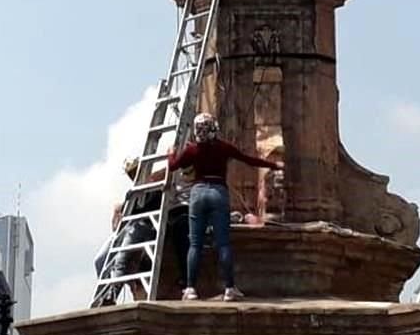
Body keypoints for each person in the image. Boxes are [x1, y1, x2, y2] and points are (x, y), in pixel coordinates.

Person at [167, 113, 283, 302]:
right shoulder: (223, 148)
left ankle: (190, 289)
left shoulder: (192, 150)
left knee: (195, 244)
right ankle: (229, 288)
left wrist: (170, 153)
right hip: (218, 192)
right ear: (213, 127)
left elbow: (173, 166)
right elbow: (249, 160)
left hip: (197, 194)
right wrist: (273, 165)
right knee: (223, 244)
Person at [92, 156, 189, 305]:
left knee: (121, 258)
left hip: (142, 226)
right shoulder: (132, 192)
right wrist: (121, 209)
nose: (133, 176)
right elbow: (125, 214)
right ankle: (103, 293)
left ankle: (111, 295)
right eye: (130, 173)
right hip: (125, 229)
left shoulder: (154, 187)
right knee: (100, 260)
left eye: (134, 171)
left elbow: (149, 210)